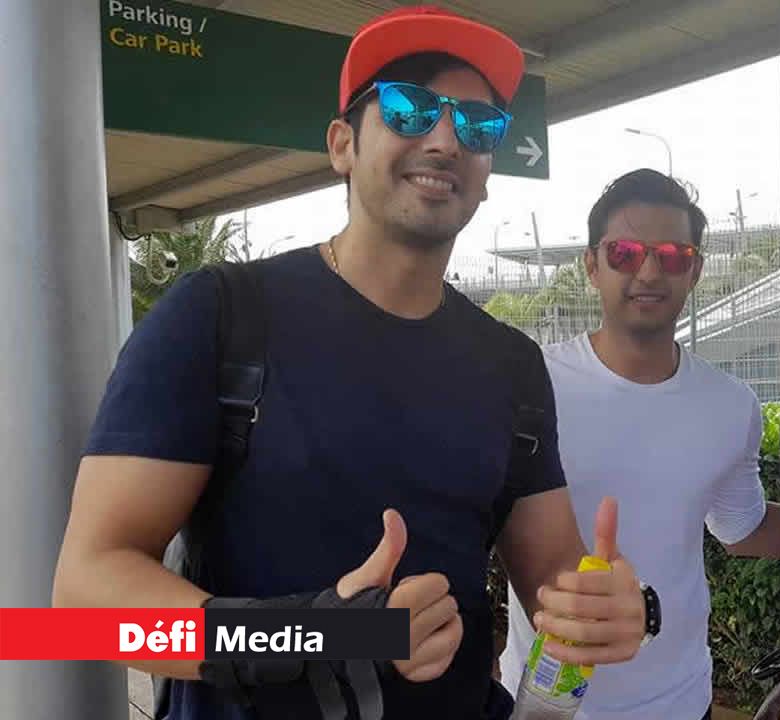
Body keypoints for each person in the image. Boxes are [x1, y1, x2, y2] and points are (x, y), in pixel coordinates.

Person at [50, 6, 654, 720]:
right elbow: (83, 606)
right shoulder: (218, 316)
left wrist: (607, 609)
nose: (444, 139)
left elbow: (556, 579)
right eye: (408, 109)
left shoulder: (511, 364)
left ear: (488, 173)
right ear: (342, 144)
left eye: (477, 125)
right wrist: (317, 636)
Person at [498, 169, 780, 720]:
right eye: (625, 253)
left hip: (681, 702)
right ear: (591, 265)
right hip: (548, 705)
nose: (650, 272)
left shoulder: (730, 405)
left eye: (674, 256)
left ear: (696, 270)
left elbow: (742, 528)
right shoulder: (529, 386)